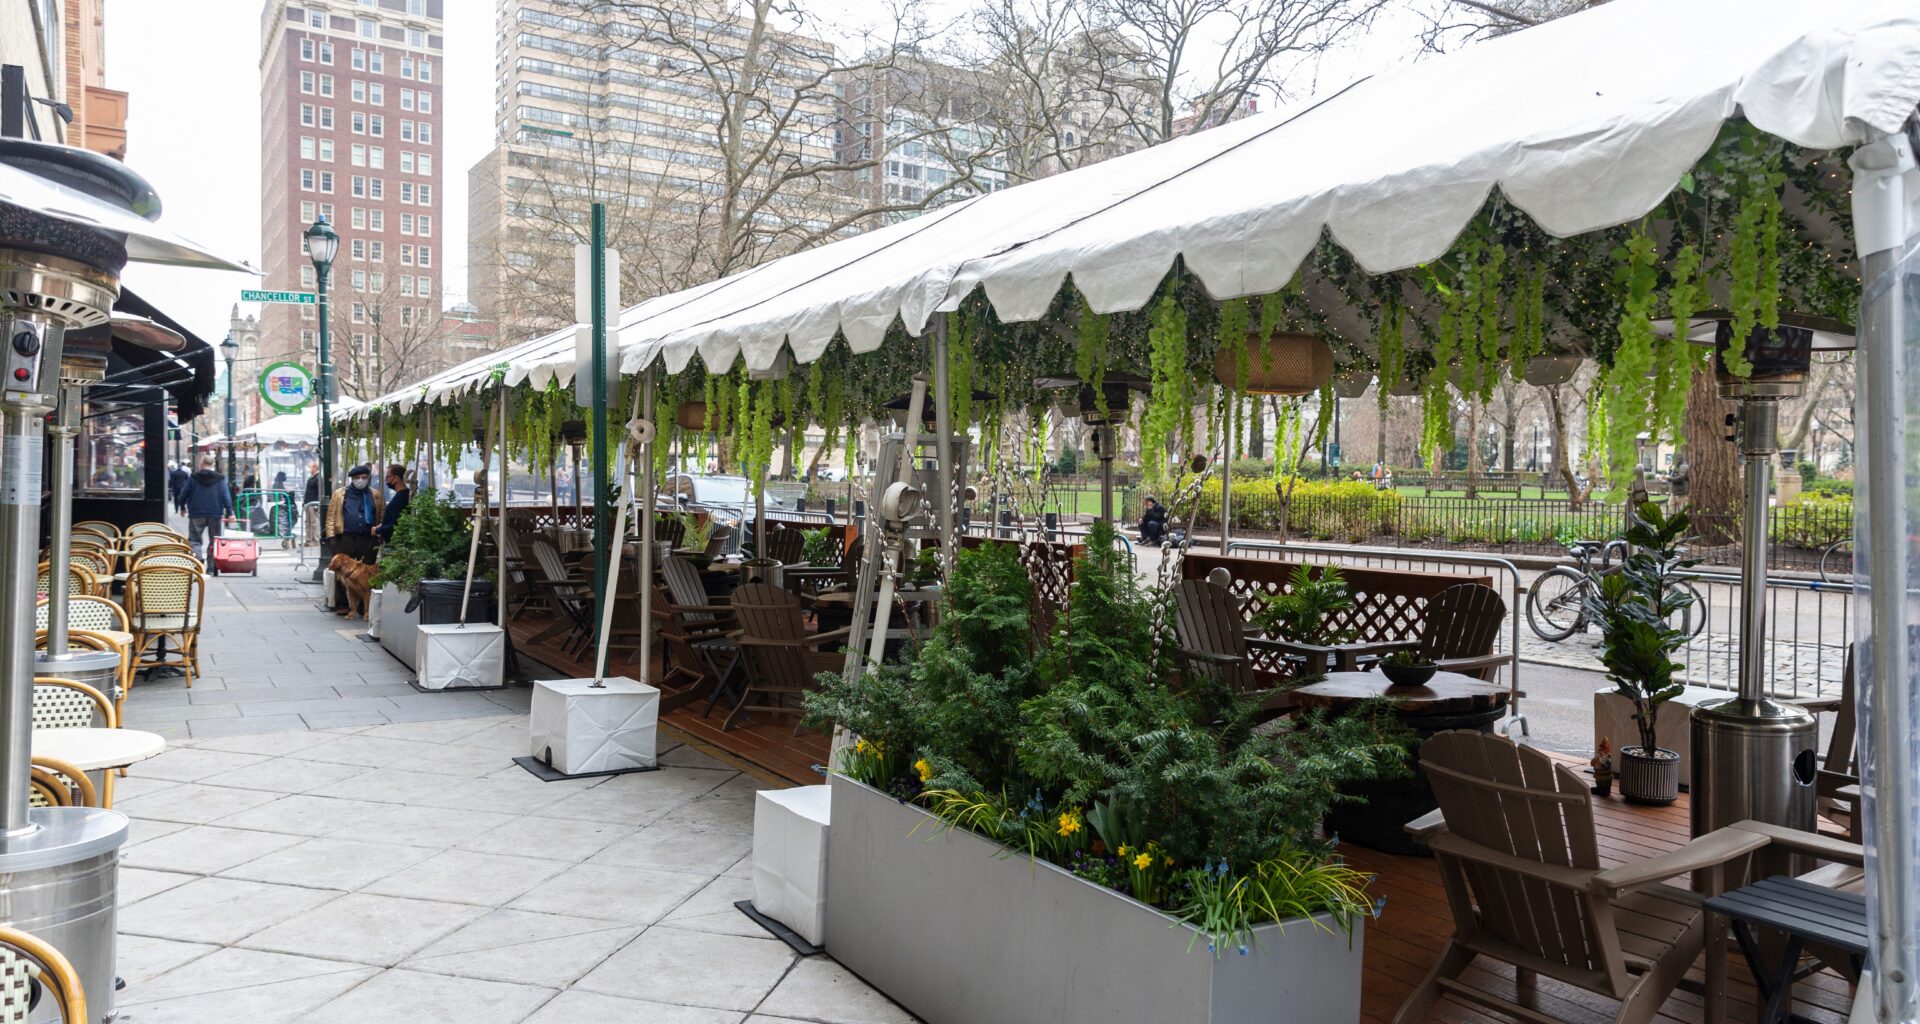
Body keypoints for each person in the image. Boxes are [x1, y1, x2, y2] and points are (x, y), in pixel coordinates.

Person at [326, 464, 385, 566]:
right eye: (357, 477)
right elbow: (331, 516)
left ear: (368, 478)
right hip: (346, 538)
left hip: (368, 538)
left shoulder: (376, 495)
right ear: (352, 479)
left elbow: (382, 516)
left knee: (367, 570)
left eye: (364, 477)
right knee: (344, 569)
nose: (360, 480)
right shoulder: (340, 494)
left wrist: (379, 536)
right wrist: (331, 536)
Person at [180, 458, 233, 559]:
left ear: (201, 463)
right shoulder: (220, 479)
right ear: (212, 464)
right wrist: (230, 512)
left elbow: (183, 494)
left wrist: (183, 508)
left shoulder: (193, 477)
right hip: (215, 513)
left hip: (196, 512)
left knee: (194, 539)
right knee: (215, 540)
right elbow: (226, 496)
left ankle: (198, 560)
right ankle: (211, 567)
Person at [375, 464, 411, 542]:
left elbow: (397, 524)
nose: (386, 480)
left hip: (395, 543)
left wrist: (377, 530)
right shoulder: (404, 495)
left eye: (388, 477)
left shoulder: (401, 498)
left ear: (396, 478)